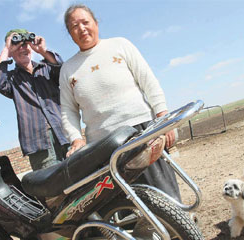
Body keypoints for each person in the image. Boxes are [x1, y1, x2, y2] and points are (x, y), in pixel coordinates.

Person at [59, 5, 182, 202]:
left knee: (166, 197)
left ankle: (177, 233)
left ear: (96, 23)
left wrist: (162, 117)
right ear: (70, 34)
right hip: (103, 145)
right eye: (74, 26)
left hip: (142, 131)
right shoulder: (67, 69)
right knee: (125, 203)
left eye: (85, 22)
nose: (81, 28)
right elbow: (68, 110)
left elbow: (148, 81)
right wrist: (76, 139)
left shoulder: (120, 45)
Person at [0, 29, 69, 171]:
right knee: (52, 186)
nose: (23, 48)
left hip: (66, 134)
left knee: (82, 178)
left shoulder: (47, 69)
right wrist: (7, 49)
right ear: (11, 52)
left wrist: (43, 51)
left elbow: (64, 70)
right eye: (17, 46)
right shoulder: (12, 80)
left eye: (26, 45)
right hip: (39, 143)